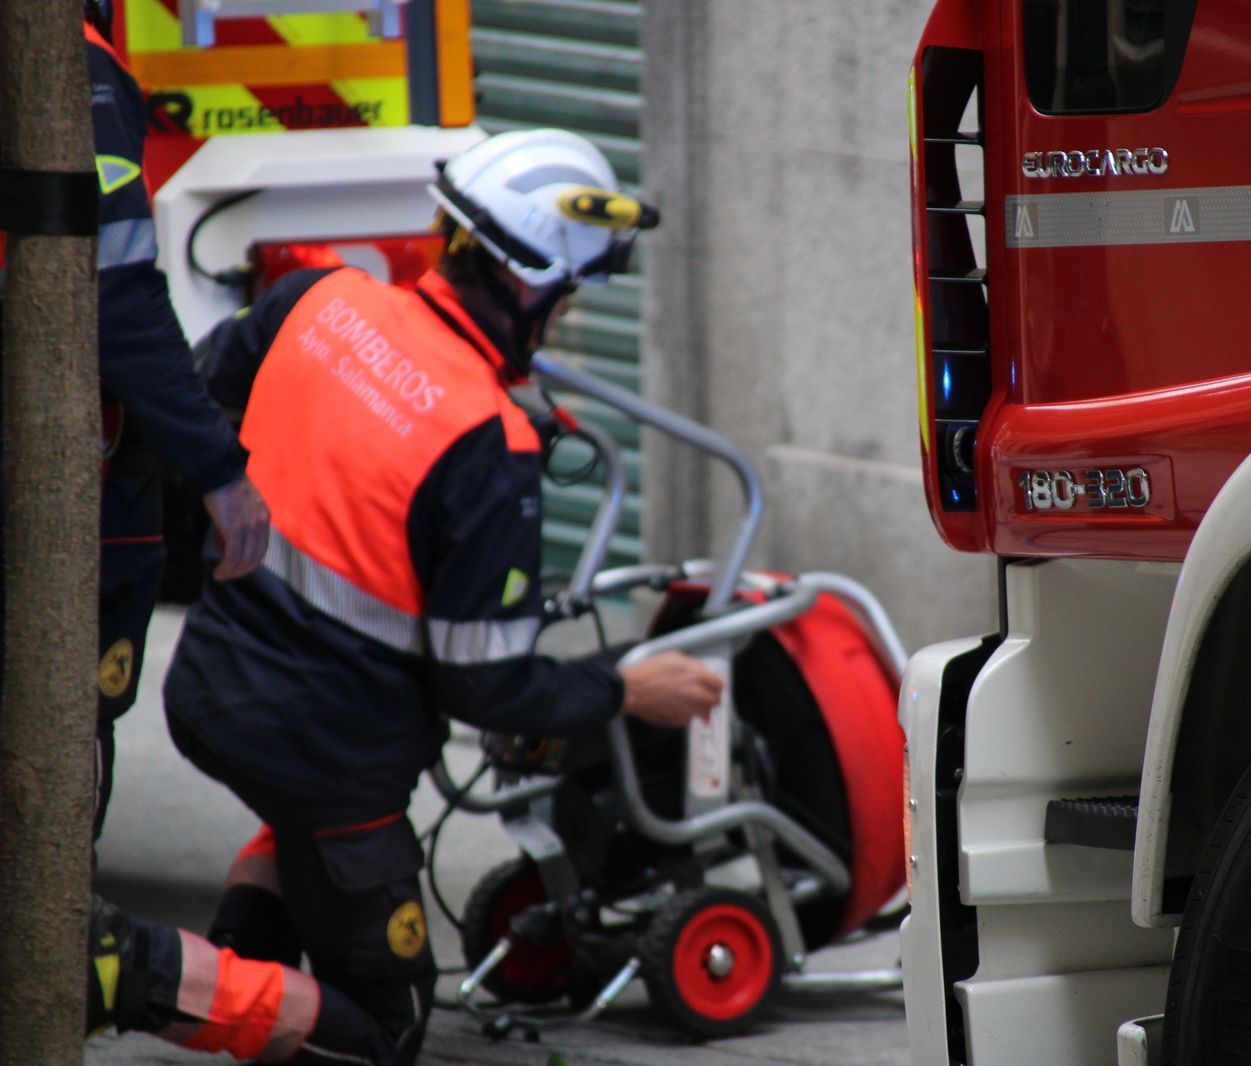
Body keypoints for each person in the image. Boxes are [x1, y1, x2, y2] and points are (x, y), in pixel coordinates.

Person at [87, 128, 724, 1066]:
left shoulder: (321, 299)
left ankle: (225, 968)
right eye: (566, 297)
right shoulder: (488, 445)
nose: (562, 321)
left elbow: (201, 399)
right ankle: (127, 968)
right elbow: (488, 691)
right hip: (328, 755)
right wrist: (630, 689)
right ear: (528, 285)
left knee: (302, 849)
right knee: (383, 1034)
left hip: (211, 692)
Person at [0, 4, 271, 837]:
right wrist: (219, 471)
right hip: (54, 474)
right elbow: (113, 291)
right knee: (58, 738)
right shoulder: (70, 67)